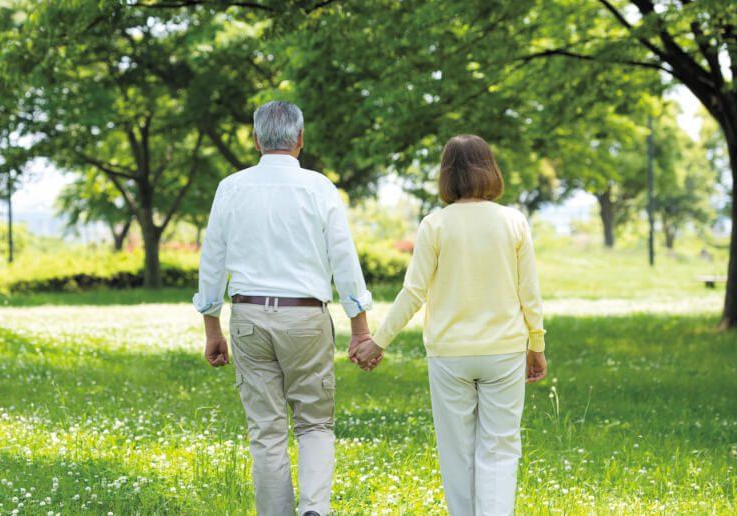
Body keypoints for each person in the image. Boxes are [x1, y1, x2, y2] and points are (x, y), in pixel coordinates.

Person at [193, 100, 379, 516]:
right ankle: (315, 508)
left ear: (256, 140)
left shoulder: (231, 187)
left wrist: (212, 329)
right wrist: (360, 328)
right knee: (314, 422)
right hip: (306, 317)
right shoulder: (319, 187)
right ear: (300, 140)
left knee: (266, 429)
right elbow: (344, 261)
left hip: (248, 318)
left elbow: (212, 262)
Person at [350, 134, 548, 516]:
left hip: (449, 356)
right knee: (500, 449)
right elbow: (531, 294)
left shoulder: (435, 225)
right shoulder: (513, 222)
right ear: (490, 169)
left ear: (446, 175)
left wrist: (379, 341)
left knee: (457, 456)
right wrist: (536, 346)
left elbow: (413, 292)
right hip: (503, 353)